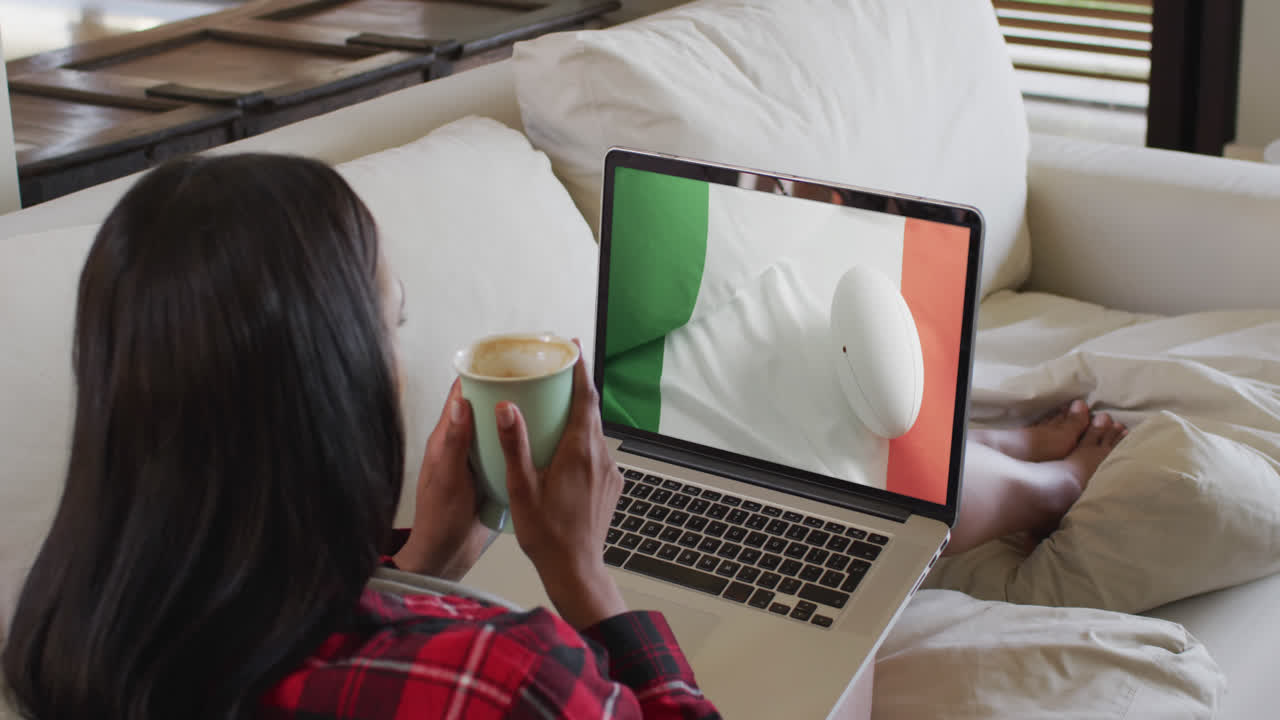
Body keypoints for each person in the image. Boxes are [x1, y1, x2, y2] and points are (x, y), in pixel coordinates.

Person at [1, 154, 722, 720]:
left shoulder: (61, 643)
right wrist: (585, 577)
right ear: (338, 383)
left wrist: (420, 566)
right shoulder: (506, 680)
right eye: (390, 324)